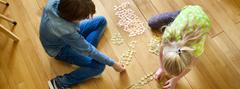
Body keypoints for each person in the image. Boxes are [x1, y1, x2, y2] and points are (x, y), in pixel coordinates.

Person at [39, 0, 125, 89]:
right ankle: (60, 83)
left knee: (101, 21)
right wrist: (113, 64)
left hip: (63, 34)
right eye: (81, 18)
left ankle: (83, 54)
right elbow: (89, 50)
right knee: (99, 66)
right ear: (72, 18)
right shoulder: (67, 31)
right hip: (59, 49)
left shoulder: (56, 2)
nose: (84, 19)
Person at [148, 5, 211, 89]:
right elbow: (160, 52)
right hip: (185, 14)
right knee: (151, 22)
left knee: (154, 22)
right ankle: (178, 15)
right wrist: (161, 68)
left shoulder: (196, 48)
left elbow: (190, 67)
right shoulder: (168, 35)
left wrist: (175, 79)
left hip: (201, 21)